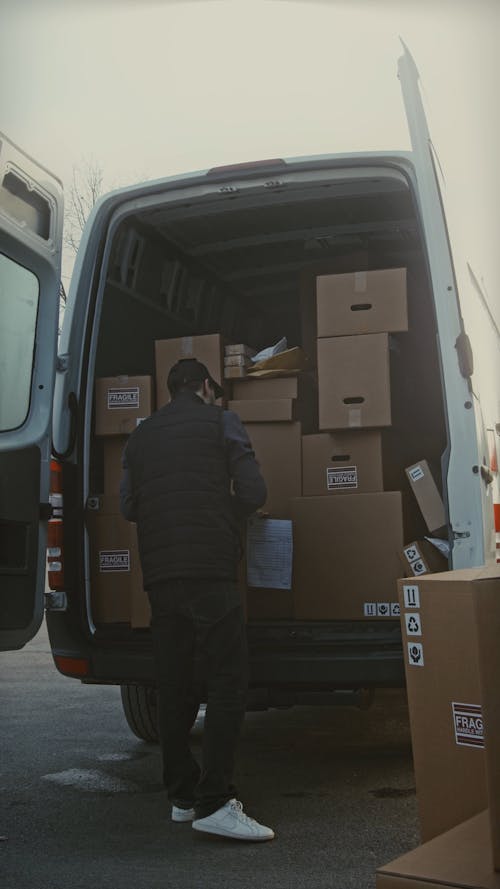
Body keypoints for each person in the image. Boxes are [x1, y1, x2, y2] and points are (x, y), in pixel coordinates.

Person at [120, 357, 274, 842]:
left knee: (175, 685)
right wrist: (220, 510)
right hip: (210, 570)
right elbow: (253, 490)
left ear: (171, 390)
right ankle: (216, 802)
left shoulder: (141, 435)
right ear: (207, 386)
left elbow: (127, 506)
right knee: (228, 682)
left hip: (162, 577)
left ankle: (183, 798)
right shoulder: (222, 421)